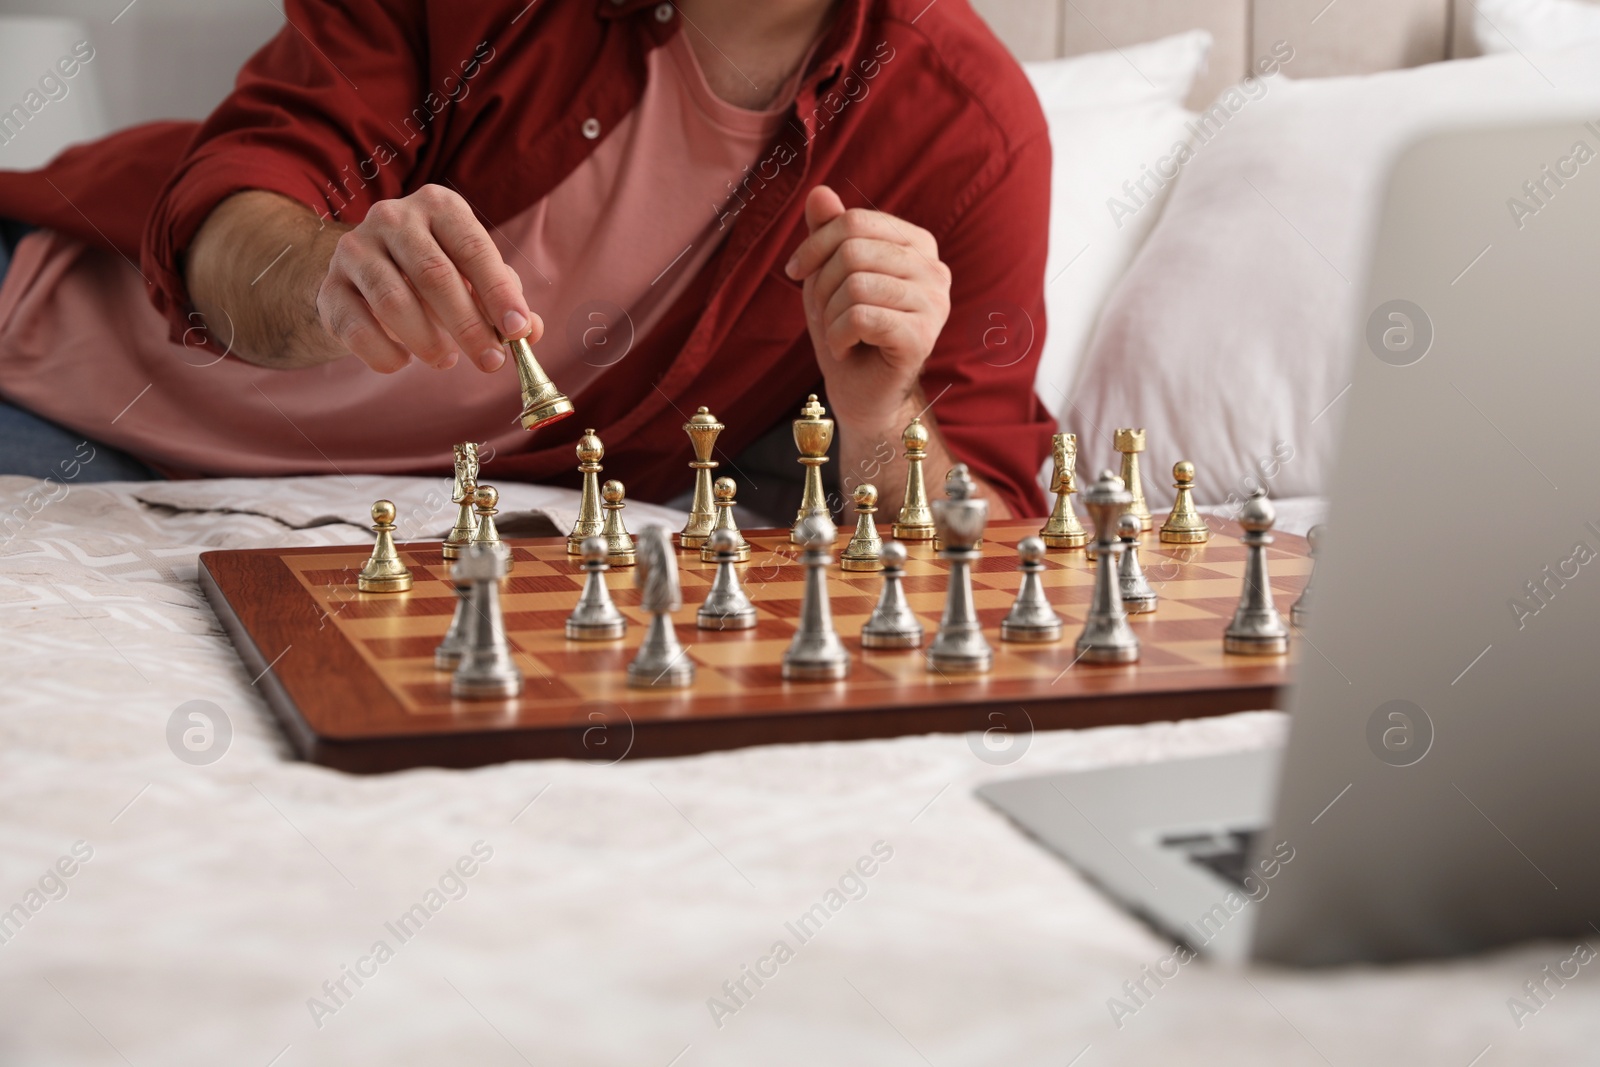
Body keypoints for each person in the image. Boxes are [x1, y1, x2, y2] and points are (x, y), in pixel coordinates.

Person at [0, 0, 1053, 520]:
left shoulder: (969, 134)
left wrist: (881, 418)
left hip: (375, 514)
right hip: (50, 368)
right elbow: (245, 193)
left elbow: (987, 530)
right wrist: (329, 281)